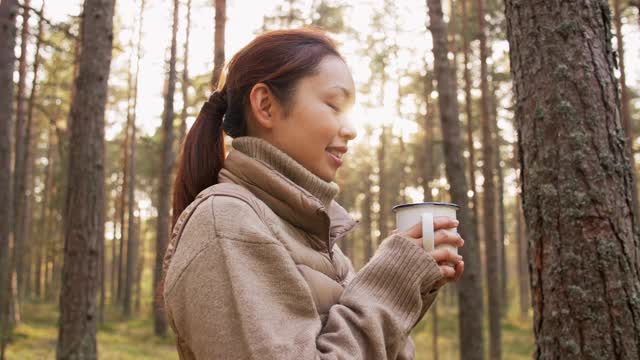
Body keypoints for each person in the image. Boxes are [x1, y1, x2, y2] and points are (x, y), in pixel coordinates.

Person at [161, 28, 465, 359]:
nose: (351, 130)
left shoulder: (321, 244)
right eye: (334, 105)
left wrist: (408, 281)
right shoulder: (225, 223)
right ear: (265, 106)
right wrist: (389, 283)